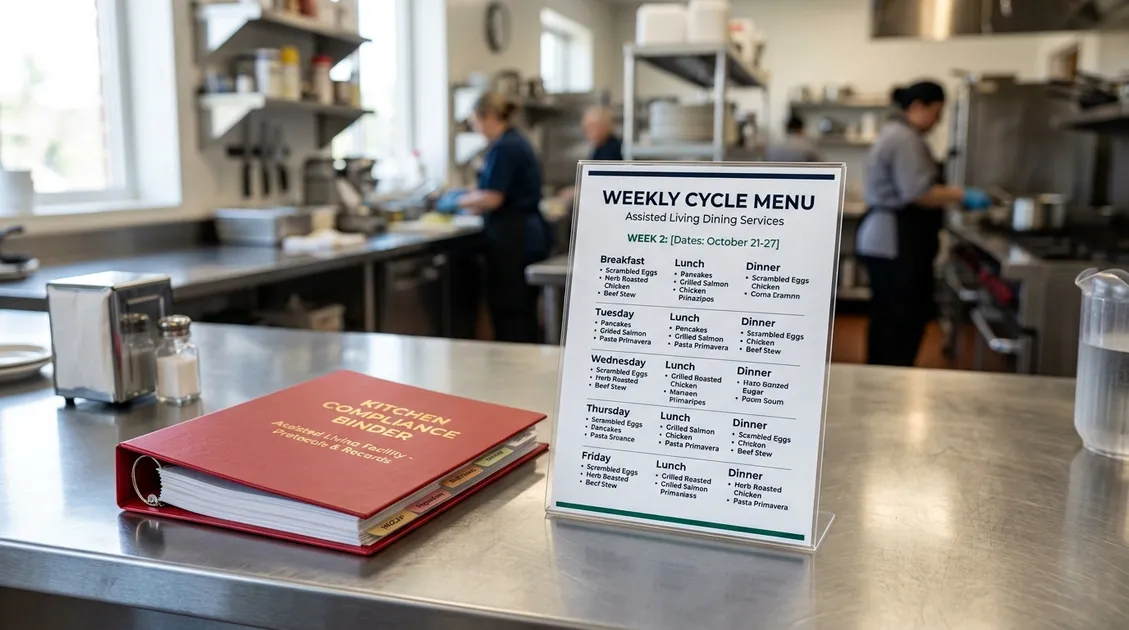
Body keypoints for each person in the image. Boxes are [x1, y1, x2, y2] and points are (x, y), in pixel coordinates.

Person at [857, 80, 991, 367]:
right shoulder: (904, 138)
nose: (938, 121)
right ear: (918, 106)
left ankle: (881, 376)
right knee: (901, 320)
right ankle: (890, 377)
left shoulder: (896, 133)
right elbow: (917, 192)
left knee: (887, 318)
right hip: (893, 240)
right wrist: (962, 195)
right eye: (937, 112)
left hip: (886, 237)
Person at [457, 93, 552, 344]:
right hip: (525, 235)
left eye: (475, 122)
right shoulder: (515, 141)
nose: (476, 129)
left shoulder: (505, 147)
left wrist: (456, 200)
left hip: (514, 240)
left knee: (512, 313)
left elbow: (493, 197)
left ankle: (516, 365)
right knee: (522, 312)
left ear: (488, 117)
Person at [557, 106, 623, 203]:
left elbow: (604, 185)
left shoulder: (612, 150)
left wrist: (577, 192)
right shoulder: (599, 147)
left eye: (590, 126)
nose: (585, 131)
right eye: (585, 126)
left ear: (604, 126)